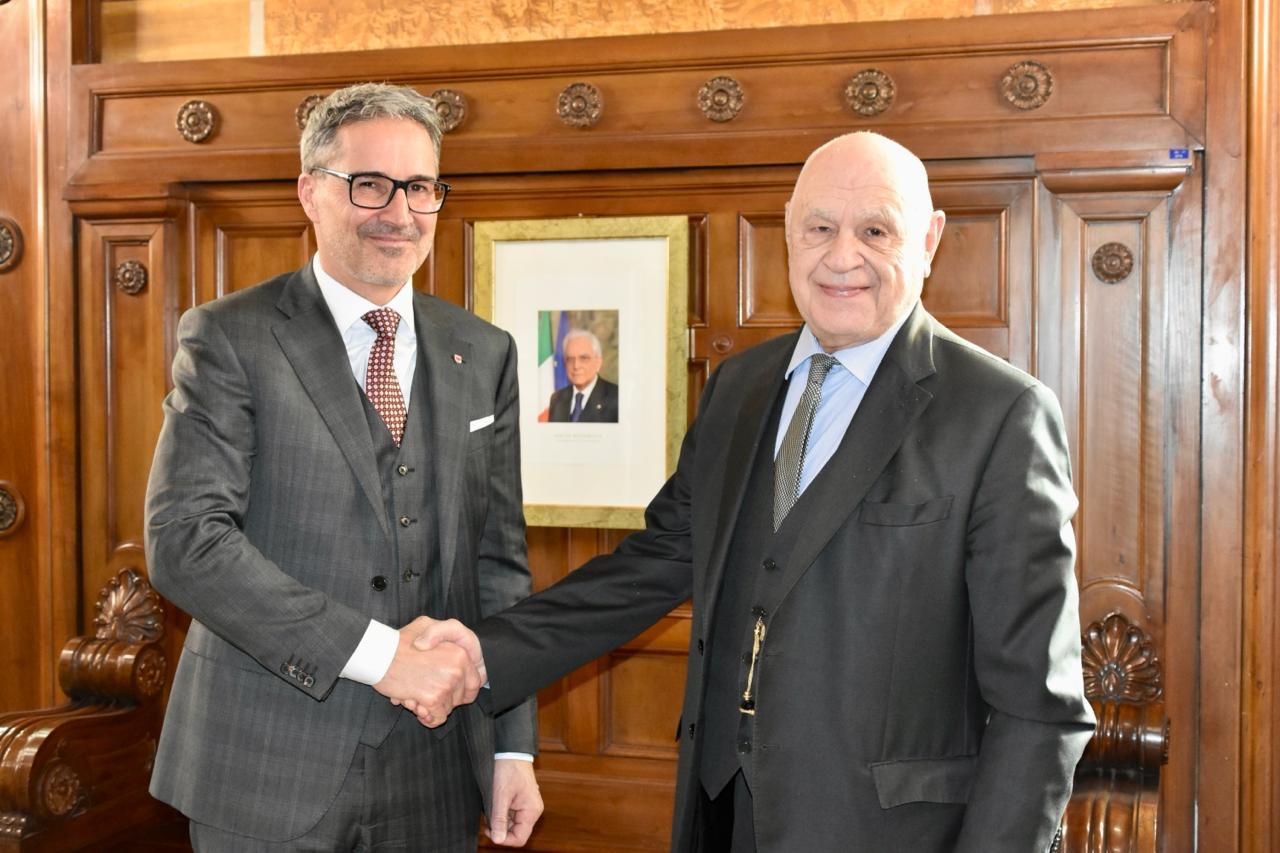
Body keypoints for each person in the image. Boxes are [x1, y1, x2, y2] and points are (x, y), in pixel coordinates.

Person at [421, 131, 1095, 851]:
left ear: (928, 240)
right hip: (719, 815)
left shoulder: (1000, 414)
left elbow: (1039, 707)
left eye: (875, 230)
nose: (842, 256)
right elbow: (651, 566)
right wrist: (484, 651)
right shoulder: (738, 387)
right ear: (788, 234)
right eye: (819, 228)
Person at [144, 83, 543, 851]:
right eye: (369, 184)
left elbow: (498, 564)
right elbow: (186, 542)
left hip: (436, 768)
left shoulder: (484, 351)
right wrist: (384, 657)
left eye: (420, 187)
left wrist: (510, 747)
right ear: (310, 192)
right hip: (265, 762)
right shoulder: (230, 337)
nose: (399, 212)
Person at [547, 328, 619, 422]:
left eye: (584, 358)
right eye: (570, 359)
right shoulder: (557, 399)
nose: (576, 366)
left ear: (598, 363)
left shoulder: (617, 398)